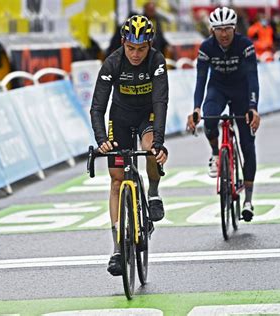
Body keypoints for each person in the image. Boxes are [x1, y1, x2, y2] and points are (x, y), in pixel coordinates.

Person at [90, 15, 169, 276]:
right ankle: (116, 249)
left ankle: (154, 193)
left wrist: (159, 142)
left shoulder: (157, 61)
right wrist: (102, 141)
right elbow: (98, 107)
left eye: (142, 48)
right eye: (131, 48)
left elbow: (160, 101)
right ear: (123, 42)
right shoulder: (112, 62)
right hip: (120, 119)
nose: (136, 54)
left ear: (150, 45)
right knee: (116, 180)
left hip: (147, 115)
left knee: (149, 148)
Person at [186, 7, 260, 222]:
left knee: (247, 143)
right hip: (217, 89)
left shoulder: (245, 46)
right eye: (219, 30)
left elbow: (253, 78)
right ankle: (216, 155)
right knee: (209, 118)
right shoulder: (206, 47)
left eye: (228, 29)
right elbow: (201, 79)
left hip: (241, 91)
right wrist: (196, 107)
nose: (224, 34)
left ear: (234, 28)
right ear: (212, 30)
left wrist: (253, 107)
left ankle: (248, 199)